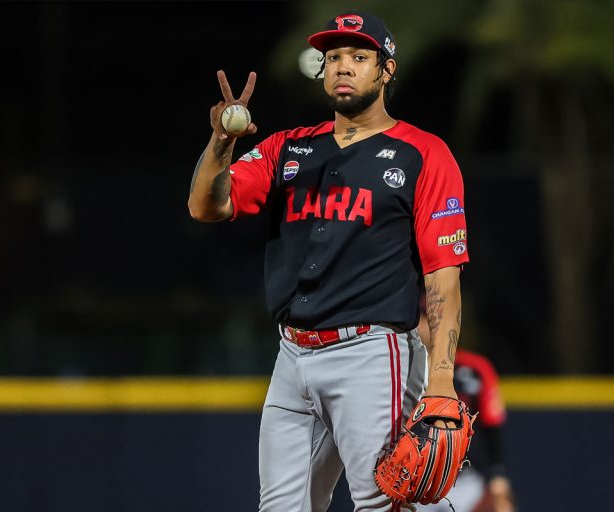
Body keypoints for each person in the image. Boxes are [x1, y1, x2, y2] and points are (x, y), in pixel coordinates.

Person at [188, 10, 470, 511]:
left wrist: (442, 380)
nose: (343, 66)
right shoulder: (288, 148)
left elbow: (442, 275)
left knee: (385, 503)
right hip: (292, 357)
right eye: (334, 57)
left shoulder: (423, 154)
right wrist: (222, 142)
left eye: (359, 57)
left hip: (371, 354)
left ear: (387, 70)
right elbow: (207, 205)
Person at [417, 309, 516, 512]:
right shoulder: (400, 371)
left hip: (466, 481)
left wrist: (498, 476)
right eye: (421, 317)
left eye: (430, 318)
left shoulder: (474, 369)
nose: (425, 325)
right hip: (416, 479)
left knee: (503, 506)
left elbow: (492, 428)